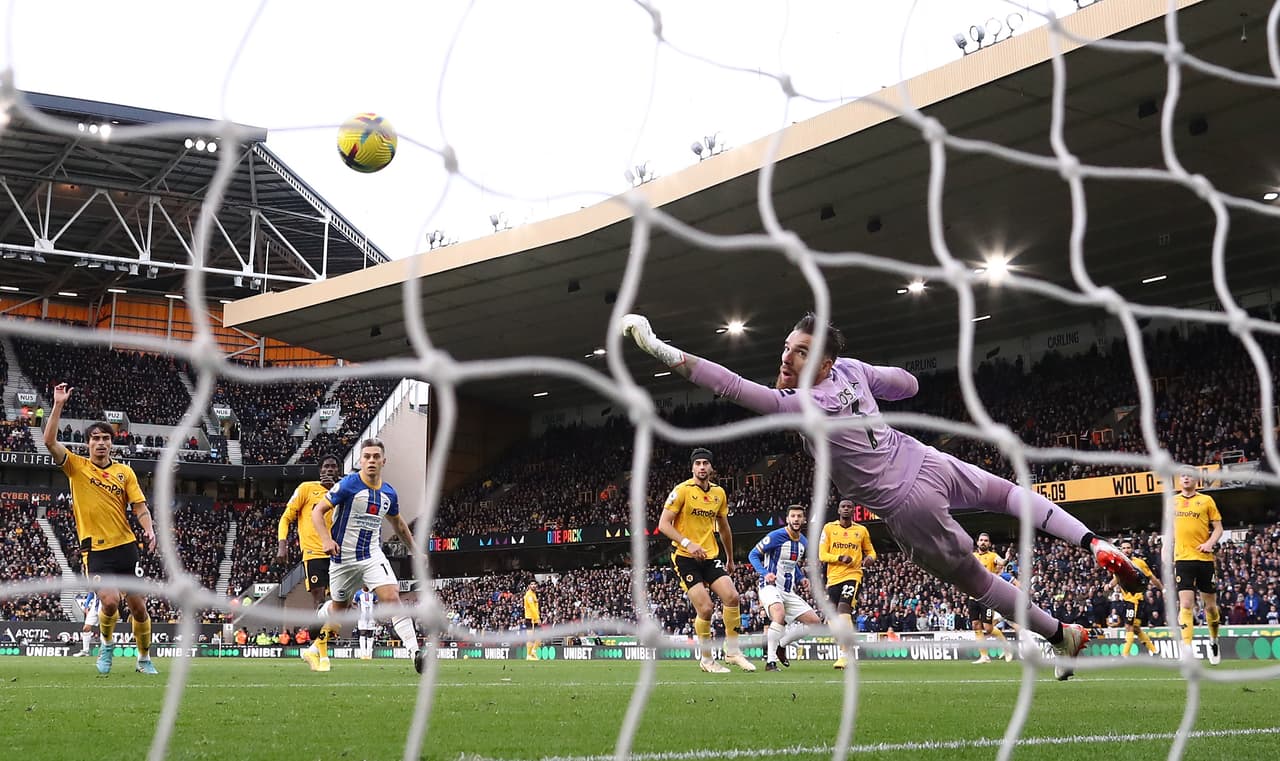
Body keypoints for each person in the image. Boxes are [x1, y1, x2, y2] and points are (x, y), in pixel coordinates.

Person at [622, 312, 1147, 680]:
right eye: (787, 346)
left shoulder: (803, 404)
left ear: (823, 364)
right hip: (926, 458)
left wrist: (660, 349)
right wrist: (870, 380)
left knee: (979, 583)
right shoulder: (851, 371)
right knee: (1009, 494)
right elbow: (909, 386)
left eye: (801, 353)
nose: (787, 357)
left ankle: (1060, 635)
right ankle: (1093, 542)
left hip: (905, 503)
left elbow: (731, 386)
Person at [44, 382, 159, 675]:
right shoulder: (77, 467)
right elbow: (49, 442)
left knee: (139, 608)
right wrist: (58, 404)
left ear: (112, 442)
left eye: (105, 438)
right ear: (87, 444)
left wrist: (149, 529)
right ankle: (106, 646)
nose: (100, 442)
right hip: (95, 550)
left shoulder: (125, 472)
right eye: (95, 438)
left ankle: (143, 659)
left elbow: (140, 507)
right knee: (109, 602)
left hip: (126, 547)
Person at [312, 438, 425, 674]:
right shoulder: (348, 485)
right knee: (339, 609)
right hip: (343, 559)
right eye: (367, 457)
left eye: (376, 456)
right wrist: (326, 539)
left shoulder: (388, 493)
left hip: (371, 555)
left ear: (384, 461)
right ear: (360, 461)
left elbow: (399, 524)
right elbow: (318, 511)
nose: (371, 460)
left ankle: (415, 651)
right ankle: (323, 613)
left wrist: (414, 549)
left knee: (392, 597)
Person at [658, 447, 755, 673]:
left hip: (710, 555)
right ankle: (707, 659)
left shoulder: (719, 493)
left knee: (732, 597)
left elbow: (724, 527)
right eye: (698, 463)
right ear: (692, 467)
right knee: (707, 608)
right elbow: (663, 525)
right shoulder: (681, 491)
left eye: (705, 463)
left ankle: (733, 652)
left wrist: (730, 558)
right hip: (685, 557)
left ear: (711, 467)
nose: (702, 467)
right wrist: (687, 544)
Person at [276, 454, 341, 670]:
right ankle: (322, 657)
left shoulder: (344, 492)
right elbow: (286, 517)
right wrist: (282, 545)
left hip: (339, 554)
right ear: (320, 470)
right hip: (314, 553)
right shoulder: (306, 489)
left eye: (333, 467)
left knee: (339, 606)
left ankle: (313, 649)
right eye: (325, 467)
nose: (329, 470)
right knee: (320, 601)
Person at [749, 504, 824, 672]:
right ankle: (770, 662)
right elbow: (753, 554)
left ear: (804, 519)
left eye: (799, 516)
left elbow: (792, 563)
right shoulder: (776, 536)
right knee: (779, 615)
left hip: (788, 591)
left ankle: (781, 645)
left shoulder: (803, 542)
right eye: (793, 516)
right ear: (788, 519)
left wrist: (801, 577)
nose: (796, 519)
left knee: (814, 622)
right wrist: (764, 573)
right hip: (769, 587)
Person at [818, 498, 876, 669]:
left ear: (853, 510)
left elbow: (871, 551)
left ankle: (846, 654)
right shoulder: (829, 528)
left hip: (853, 575)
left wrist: (870, 558)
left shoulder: (861, 530)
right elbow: (822, 554)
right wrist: (839, 558)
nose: (846, 509)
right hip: (833, 578)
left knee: (844, 609)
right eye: (843, 506)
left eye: (849, 507)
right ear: (838, 510)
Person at [1173, 472, 1223, 664]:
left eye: (1190, 476)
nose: (1186, 478)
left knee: (1210, 607)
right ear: (1179, 480)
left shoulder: (1206, 500)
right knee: (1186, 604)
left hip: (1204, 559)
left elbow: (1218, 528)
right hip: (1183, 559)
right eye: (1183, 476)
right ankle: (1186, 648)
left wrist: (1210, 543)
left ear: (1196, 480)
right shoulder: (1172, 502)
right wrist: (1165, 549)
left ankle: (1214, 640)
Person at [1104, 538, 1163, 657]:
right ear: (1121, 550)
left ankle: (1124, 655)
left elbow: (1152, 577)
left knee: (1128, 627)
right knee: (1135, 628)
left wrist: (1163, 589)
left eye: (1128, 548)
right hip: (1127, 600)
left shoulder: (1139, 563)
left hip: (1135, 600)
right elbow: (1117, 578)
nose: (1126, 550)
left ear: (1132, 549)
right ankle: (1155, 651)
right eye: (1124, 548)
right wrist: (1110, 585)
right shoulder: (1119, 564)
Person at [969, 533, 1013, 664]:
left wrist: (1006, 560)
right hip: (973, 595)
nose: (983, 542)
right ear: (977, 543)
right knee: (975, 626)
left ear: (989, 543)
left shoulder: (993, 556)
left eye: (986, 541)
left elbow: (1001, 562)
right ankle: (984, 656)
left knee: (988, 628)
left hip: (987, 596)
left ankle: (1007, 648)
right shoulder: (972, 556)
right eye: (981, 540)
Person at [73, 592, 100, 656]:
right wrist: (86, 605)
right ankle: (85, 651)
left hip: (105, 606)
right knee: (86, 628)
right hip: (95, 607)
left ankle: (105, 651)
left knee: (105, 629)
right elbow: (92, 593)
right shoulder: (96, 582)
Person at [523, 581, 541, 661]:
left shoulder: (534, 594)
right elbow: (532, 608)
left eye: (535, 584)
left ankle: (532, 652)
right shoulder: (529, 595)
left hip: (534, 619)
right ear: (529, 586)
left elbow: (535, 607)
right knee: (531, 638)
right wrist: (537, 618)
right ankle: (529, 655)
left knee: (539, 637)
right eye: (532, 584)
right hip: (531, 619)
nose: (533, 586)